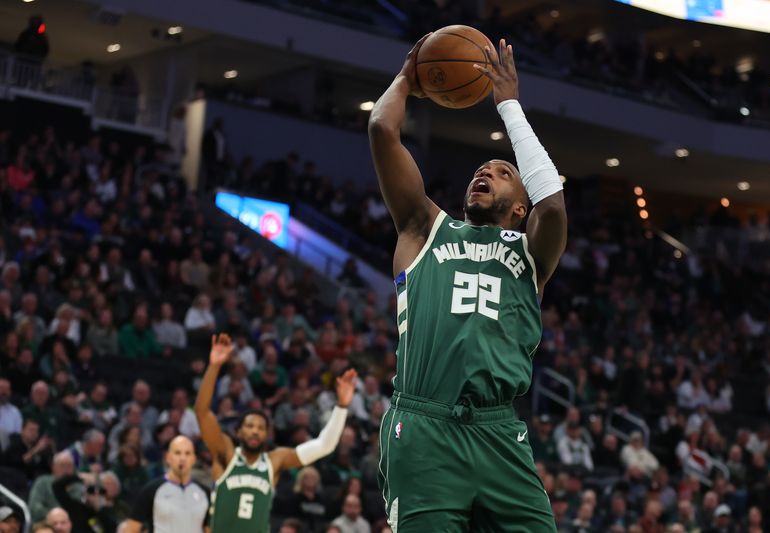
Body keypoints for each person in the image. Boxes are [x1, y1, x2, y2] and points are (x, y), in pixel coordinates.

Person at [368, 35, 566, 531]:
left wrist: (510, 107)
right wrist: (407, 79)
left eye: (503, 173)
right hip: (425, 426)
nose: (486, 172)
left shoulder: (531, 254)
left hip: (499, 432)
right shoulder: (423, 228)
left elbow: (554, 204)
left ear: (521, 208)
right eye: (482, 169)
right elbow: (381, 130)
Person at [195, 334, 357, 533]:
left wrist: (341, 407)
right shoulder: (226, 453)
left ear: (267, 435)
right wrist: (214, 366)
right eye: (250, 426)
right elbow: (202, 413)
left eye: (261, 428)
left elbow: (325, 446)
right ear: (238, 432)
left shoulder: (274, 461)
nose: (255, 431)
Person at [122, 436, 209, 533]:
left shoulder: (204, 492)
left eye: (187, 453)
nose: (182, 458)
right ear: (168, 457)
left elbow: (209, 529)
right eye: (177, 453)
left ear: (194, 459)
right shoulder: (151, 490)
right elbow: (131, 529)